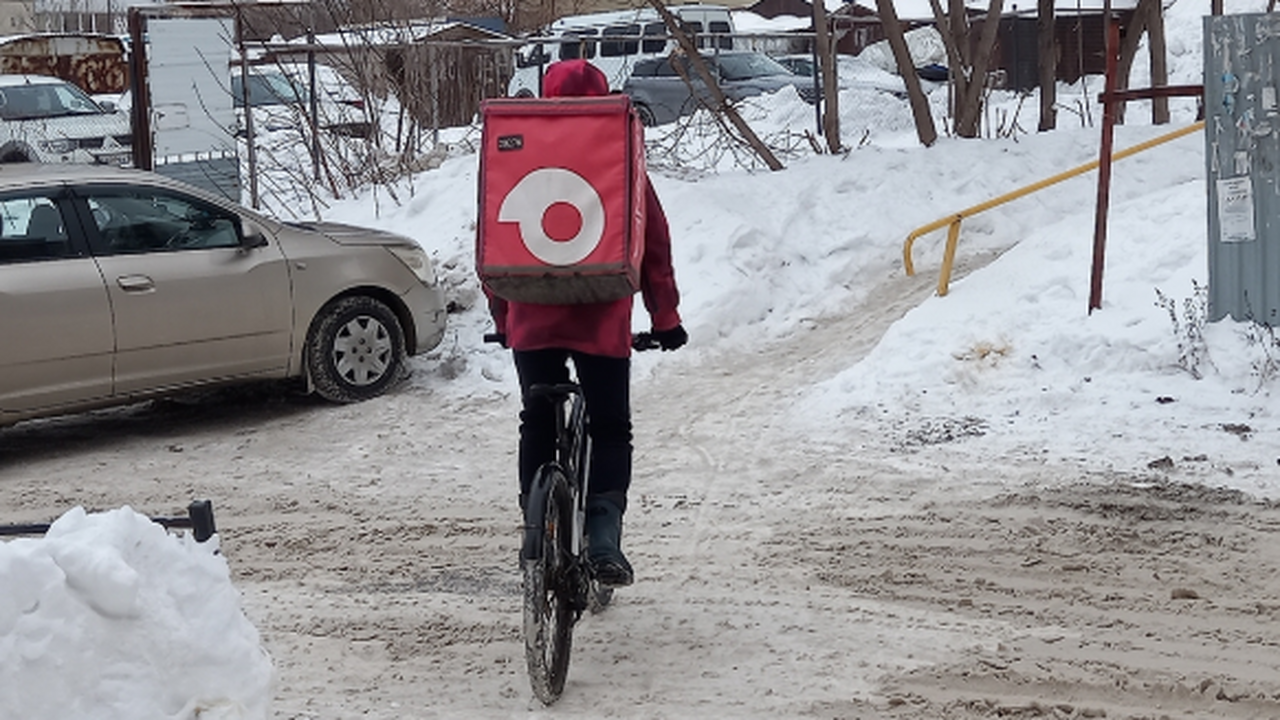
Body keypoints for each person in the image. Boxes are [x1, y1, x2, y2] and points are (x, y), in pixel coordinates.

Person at [485, 59, 687, 588]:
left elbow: (493, 245)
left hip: (533, 317)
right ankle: (602, 537)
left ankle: (536, 527)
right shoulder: (617, 159)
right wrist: (664, 318)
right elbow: (655, 247)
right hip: (601, 318)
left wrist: (505, 319)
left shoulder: (517, 154)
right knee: (610, 425)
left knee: (537, 420)